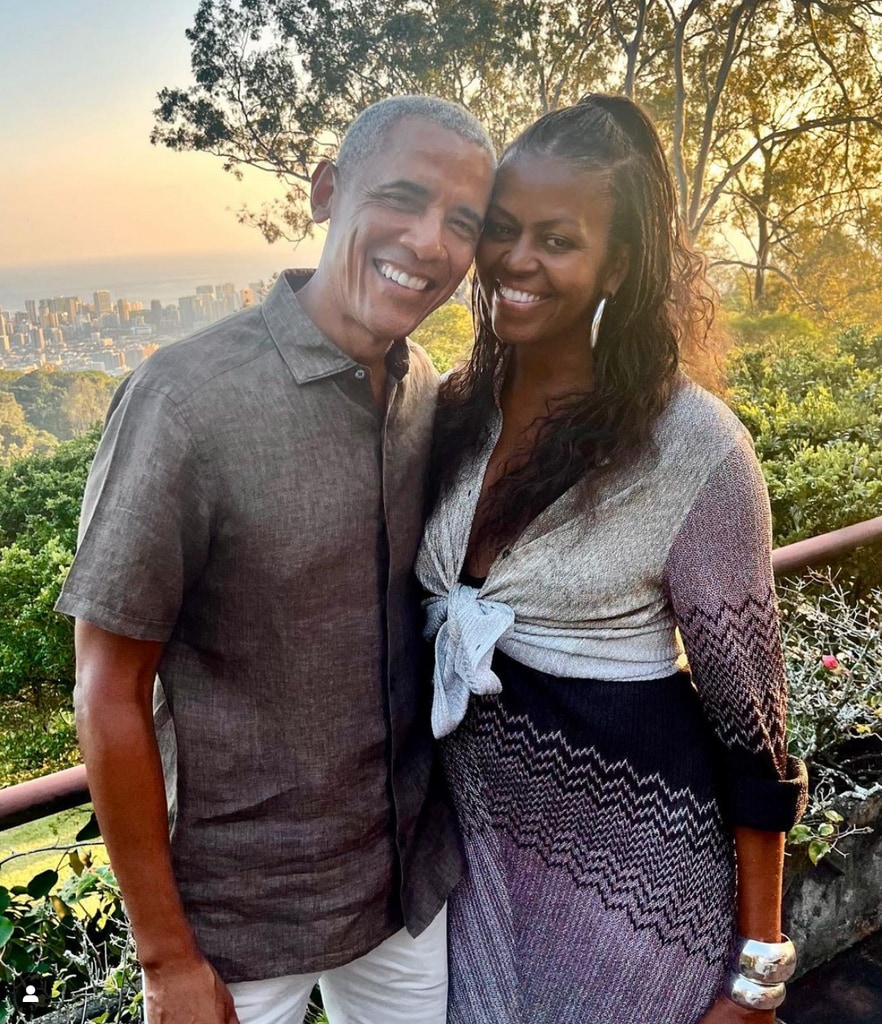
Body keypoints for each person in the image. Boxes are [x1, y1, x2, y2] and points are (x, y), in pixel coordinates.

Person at [56, 95, 496, 1024]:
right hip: (235, 917)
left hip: (401, 885)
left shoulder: (421, 388)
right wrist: (165, 955)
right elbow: (107, 684)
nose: (429, 241)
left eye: (462, 222)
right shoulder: (186, 400)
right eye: (404, 199)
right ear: (327, 192)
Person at [416, 94, 808, 1024]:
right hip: (474, 886)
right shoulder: (452, 416)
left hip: (640, 901)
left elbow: (753, 734)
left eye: (558, 239)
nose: (517, 259)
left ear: (618, 266)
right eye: (503, 230)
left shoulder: (693, 450)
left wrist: (755, 981)